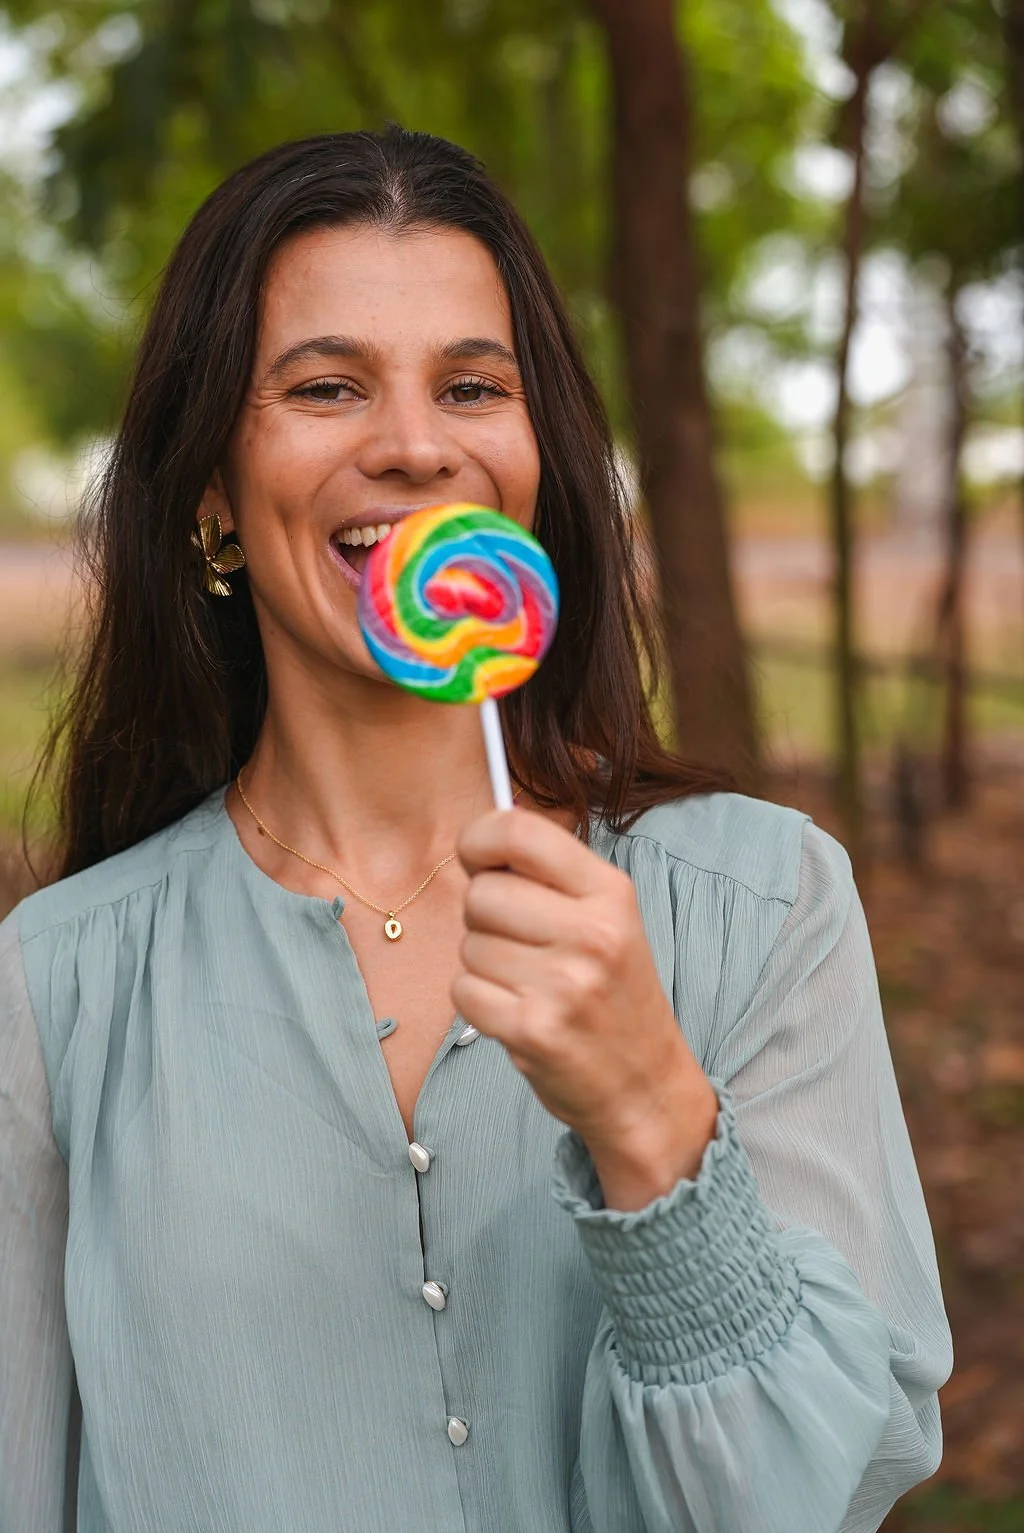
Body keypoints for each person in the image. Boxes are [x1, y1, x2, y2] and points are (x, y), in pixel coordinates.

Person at [0, 127, 951, 1533]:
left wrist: (647, 1112)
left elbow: (819, 1494)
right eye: (326, 386)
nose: (412, 444)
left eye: (471, 386)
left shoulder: (762, 902)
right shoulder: (54, 984)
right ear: (209, 488)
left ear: (532, 461)